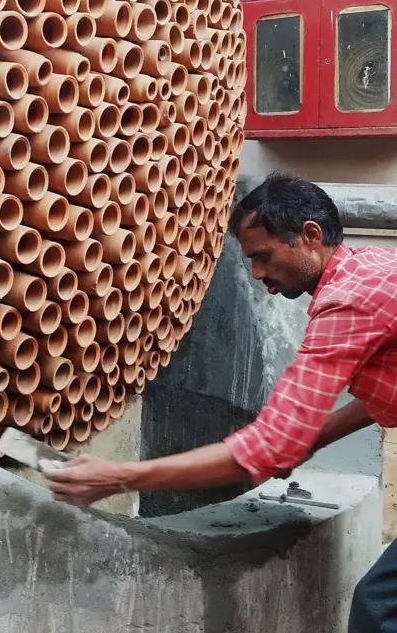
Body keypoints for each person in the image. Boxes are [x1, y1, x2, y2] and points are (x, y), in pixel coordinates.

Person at [42, 173, 397, 633]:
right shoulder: (370, 267)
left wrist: (119, 476)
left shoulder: (348, 301)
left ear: (310, 235)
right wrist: (312, 436)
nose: (258, 275)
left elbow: (269, 448)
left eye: (264, 257)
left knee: (379, 609)